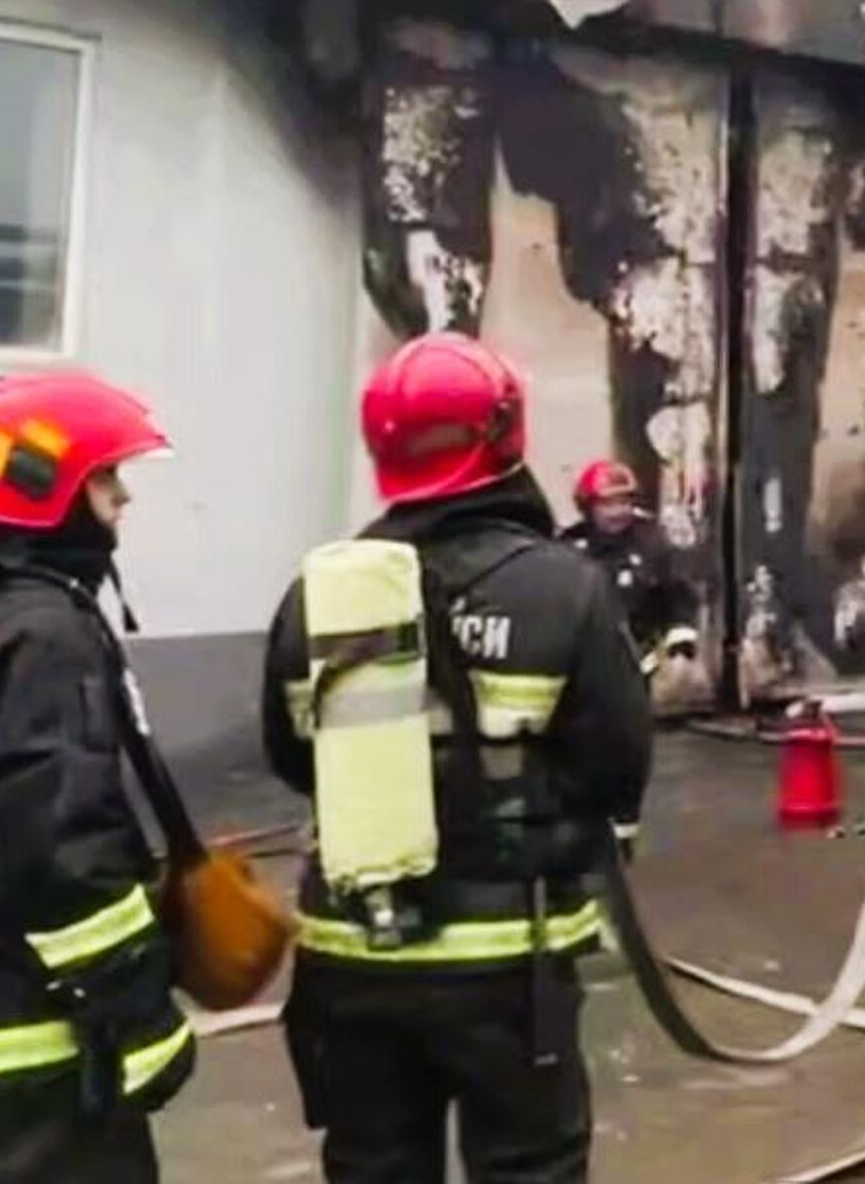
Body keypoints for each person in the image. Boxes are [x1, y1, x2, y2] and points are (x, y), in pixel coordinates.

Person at [262, 332, 652, 1184]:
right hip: (509, 962)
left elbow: (291, 759)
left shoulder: (315, 597)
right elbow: (616, 766)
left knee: (372, 1168)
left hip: (350, 957)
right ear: (507, 432)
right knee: (528, 1169)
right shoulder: (564, 587)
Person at [0, 373, 196, 1183]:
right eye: (106, 476)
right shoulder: (40, 636)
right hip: (13, 1054)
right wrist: (143, 1020)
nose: (122, 498)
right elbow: (59, 854)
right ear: (42, 489)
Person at [561, 460, 704, 728]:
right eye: (607, 504)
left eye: (624, 502)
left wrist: (680, 644)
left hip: (637, 666)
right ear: (588, 507)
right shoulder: (568, 548)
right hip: (579, 671)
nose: (618, 512)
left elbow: (678, 595)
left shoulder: (651, 544)